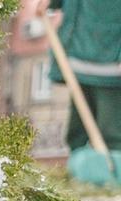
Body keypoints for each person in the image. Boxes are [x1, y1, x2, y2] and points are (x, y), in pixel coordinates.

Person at [26, 0, 121, 183]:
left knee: (112, 132)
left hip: (111, 67)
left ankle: (114, 179)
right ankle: (80, 176)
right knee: (77, 131)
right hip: (77, 61)